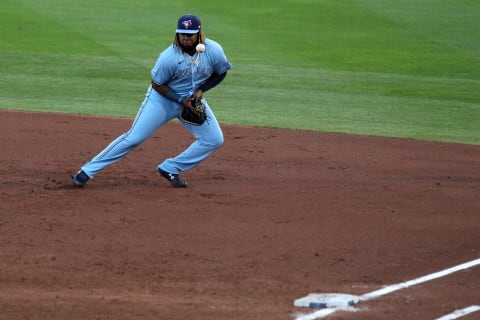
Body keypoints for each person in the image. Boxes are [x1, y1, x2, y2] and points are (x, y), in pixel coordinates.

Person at [72, 14, 232, 188]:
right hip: (162, 100)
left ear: (199, 34)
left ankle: (170, 167)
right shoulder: (168, 57)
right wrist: (180, 99)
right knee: (134, 138)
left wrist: (200, 91)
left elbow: (221, 72)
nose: (185, 37)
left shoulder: (213, 50)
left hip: (191, 101)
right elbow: (157, 84)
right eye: (182, 33)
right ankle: (87, 170)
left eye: (190, 34)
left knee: (214, 139)